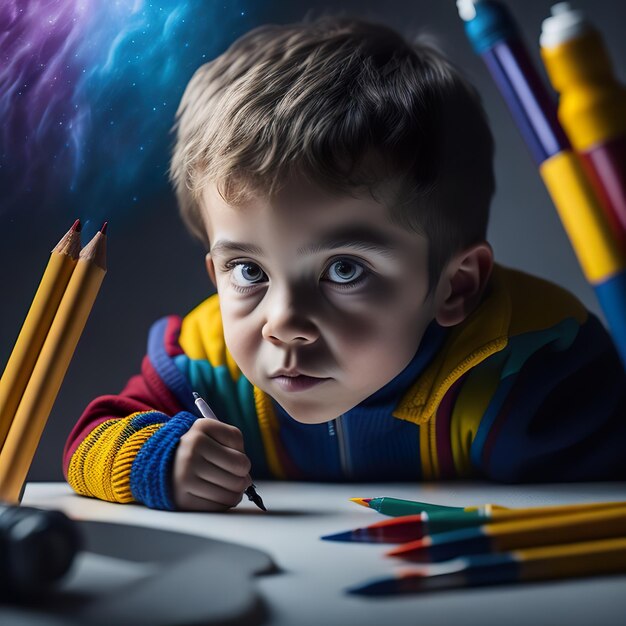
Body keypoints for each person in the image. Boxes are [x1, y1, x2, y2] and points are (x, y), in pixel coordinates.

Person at [63, 17, 626, 512]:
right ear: (215, 276)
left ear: (455, 287)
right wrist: (154, 460)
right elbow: (86, 443)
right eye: (250, 272)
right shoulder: (203, 362)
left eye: (344, 270)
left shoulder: (532, 368)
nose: (282, 323)